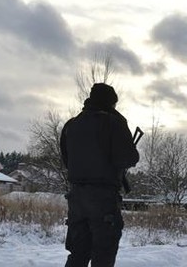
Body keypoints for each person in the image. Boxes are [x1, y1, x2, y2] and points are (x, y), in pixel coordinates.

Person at [60, 83, 140, 267]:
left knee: (78, 254)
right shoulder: (114, 122)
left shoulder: (71, 125)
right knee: (103, 255)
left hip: (76, 199)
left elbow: (67, 160)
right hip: (103, 199)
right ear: (111, 103)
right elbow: (129, 158)